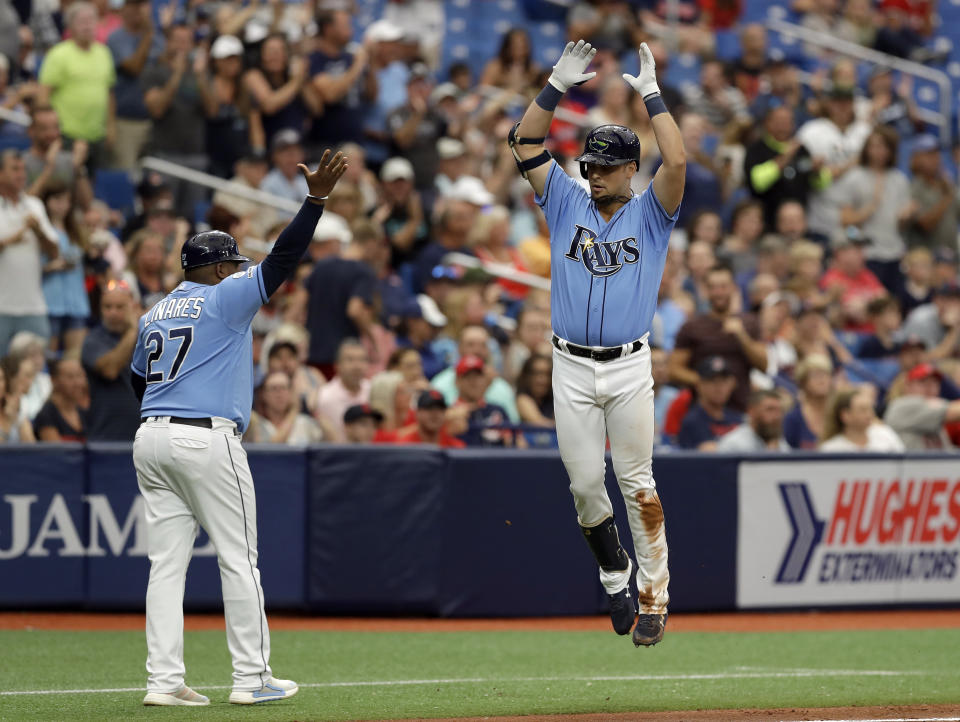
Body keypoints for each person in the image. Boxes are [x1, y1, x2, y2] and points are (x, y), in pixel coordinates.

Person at [129, 149, 346, 706]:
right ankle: (251, 678)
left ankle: (163, 681)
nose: (238, 270)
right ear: (221, 268)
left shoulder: (153, 312)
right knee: (238, 556)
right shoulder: (225, 298)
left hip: (150, 436)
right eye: (233, 263)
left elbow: (139, 383)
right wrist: (315, 201)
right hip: (204, 436)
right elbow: (282, 260)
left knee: (165, 566)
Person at [510, 40, 684, 646]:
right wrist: (555, 85)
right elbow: (525, 143)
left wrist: (652, 95)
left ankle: (655, 596)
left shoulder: (652, 213)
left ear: (631, 168)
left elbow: (680, 163)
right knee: (585, 484)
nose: (596, 171)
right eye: (592, 162)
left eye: (608, 164)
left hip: (630, 366)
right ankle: (614, 571)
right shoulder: (564, 200)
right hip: (570, 365)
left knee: (638, 484)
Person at [669, 265, 767, 412]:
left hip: (741, 409)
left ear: (733, 288)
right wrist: (708, 382)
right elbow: (674, 370)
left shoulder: (749, 323)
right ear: (705, 291)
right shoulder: (691, 327)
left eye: (723, 286)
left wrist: (742, 336)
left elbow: (764, 364)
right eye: (712, 287)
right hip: (703, 412)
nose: (718, 292)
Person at [37, 2, 116, 167]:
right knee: (64, 185)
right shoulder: (58, 54)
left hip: (96, 136)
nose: (88, 26)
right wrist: (50, 132)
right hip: (66, 135)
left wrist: (111, 127)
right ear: (70, 26)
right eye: (82, 21)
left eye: (91, 20)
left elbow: (109, 93)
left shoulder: (104, 52)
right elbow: (43, 95)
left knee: (93, 188)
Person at [835, 126, 913, 292]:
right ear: (866, 148)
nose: (880, 152)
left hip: (895, 252)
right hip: (869, 254)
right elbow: (845, 220)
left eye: (885, 146)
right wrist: (871, 207)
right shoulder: (854, 178)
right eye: (875, 146)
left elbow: (901, 225)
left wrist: (906, 216)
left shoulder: (899, 179)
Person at [0, 149, 61, 355]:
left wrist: (38, 231)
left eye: (23, 169)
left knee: (34, 370)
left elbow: (54, 252)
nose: (21, 175)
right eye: (15, 169)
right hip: (1, 307)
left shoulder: (34, 205)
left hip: (33, 306)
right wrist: (11, 239)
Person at [81, 279, 142, 441]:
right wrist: (133, 330)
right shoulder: (93, 340)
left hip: (143, 437)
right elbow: (110, 370)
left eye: (120, 307)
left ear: (133, 306)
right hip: (105, 438)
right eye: (107, 307)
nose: (112, 313)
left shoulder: (149, 338)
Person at [106, 0, 160, 168]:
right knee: (125, 174)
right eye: (134, 4)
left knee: (152, 181)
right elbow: (134, 67)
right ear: (124, 9)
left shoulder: (158, 38)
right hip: (126, 122)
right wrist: (148, 33)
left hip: (154, 122)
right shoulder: (116, 38)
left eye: (142, 4)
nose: (139, 10)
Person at [430, 324, 519, 422]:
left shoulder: (502, 388)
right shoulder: (440, 383)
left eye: (483, 345)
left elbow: (513, 426)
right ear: (459, 348)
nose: (477, 350)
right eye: (470, 344)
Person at [40, 182, 90, 355]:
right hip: (50, 300)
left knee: (75, 356)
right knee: (49, 356)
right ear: (46, 201)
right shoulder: (42, 231)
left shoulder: (76, 231)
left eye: (66, 201)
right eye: (57, 199)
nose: (62, 205)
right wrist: (53, 266)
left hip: (76, 301)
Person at [883, 363, 960, 450]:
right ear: (908, 386)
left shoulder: (934, 413)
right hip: (909, 463)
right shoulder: (902, 405)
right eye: (923, 381)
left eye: (935, 382)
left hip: (930, 462)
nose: (930, 386)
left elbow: (947, 451)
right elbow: (954, 412)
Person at [676, 356, 742, 450]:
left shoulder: (738, 419)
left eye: (724, 381)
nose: (719, 387)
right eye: (712, 381)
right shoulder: (691, 422)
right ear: (699, 385)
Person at [449, 354, 514, 447]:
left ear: (485, 380)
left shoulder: (498, 410)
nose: (473, 381)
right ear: (457, 381)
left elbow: (518, 444)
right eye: (467, 376)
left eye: (478, 376)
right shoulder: (447, 414)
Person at [314, 339, 371, 441]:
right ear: (337, 365)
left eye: (362, 360)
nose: (357, 366)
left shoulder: (373, 391)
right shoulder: (324, 397)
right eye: (350, 360)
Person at [247, 371, 324, 445]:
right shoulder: (255, 423)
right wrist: (294, 410)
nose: (279, 394)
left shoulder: (305, 422)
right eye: (274, 388)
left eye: (283, 388)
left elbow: (332, 446)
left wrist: (315, 409)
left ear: (291, 392)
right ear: (263, 394)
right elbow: (271, 448)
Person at [820, 386, 905, 452]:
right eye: (863, 410)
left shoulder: (886, 434)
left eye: (870, 409)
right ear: (845, 415)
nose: (869, 415)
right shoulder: (830, 449)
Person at [783, 353, 833, 449]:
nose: (822, 380)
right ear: (803, 382)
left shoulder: (839, 413)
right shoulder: (793, 418)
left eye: (826, 375)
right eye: (815, 376)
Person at [716, 389, 790, 452]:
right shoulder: (733, 445)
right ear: (752, 411)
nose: (777, 416)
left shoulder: (780, 442)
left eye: (780, 410)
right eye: (770, 409)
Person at [33, 357, 88, 442]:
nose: (77, 383)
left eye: (80, 375)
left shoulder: (85, 414)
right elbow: (57, 453)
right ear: (54, 380)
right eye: (70, 377)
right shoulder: (47, 415)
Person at [394, 389, 465, 448]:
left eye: (440, 409)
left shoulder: (455, 447)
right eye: (429, 408)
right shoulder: (404, 446)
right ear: (417, 413)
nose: (435, 414)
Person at [515, 353, 554, 428]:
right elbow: (539, 423)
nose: (543, 380)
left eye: (547, 374)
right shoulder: (522, 398)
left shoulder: (553, 399)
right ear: (527, 376)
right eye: (537, 374)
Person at [0, 361, 35, 443]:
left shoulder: (15, 409)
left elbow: (31, 447)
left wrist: (15, 417)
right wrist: (8, 423)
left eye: (1, 379)